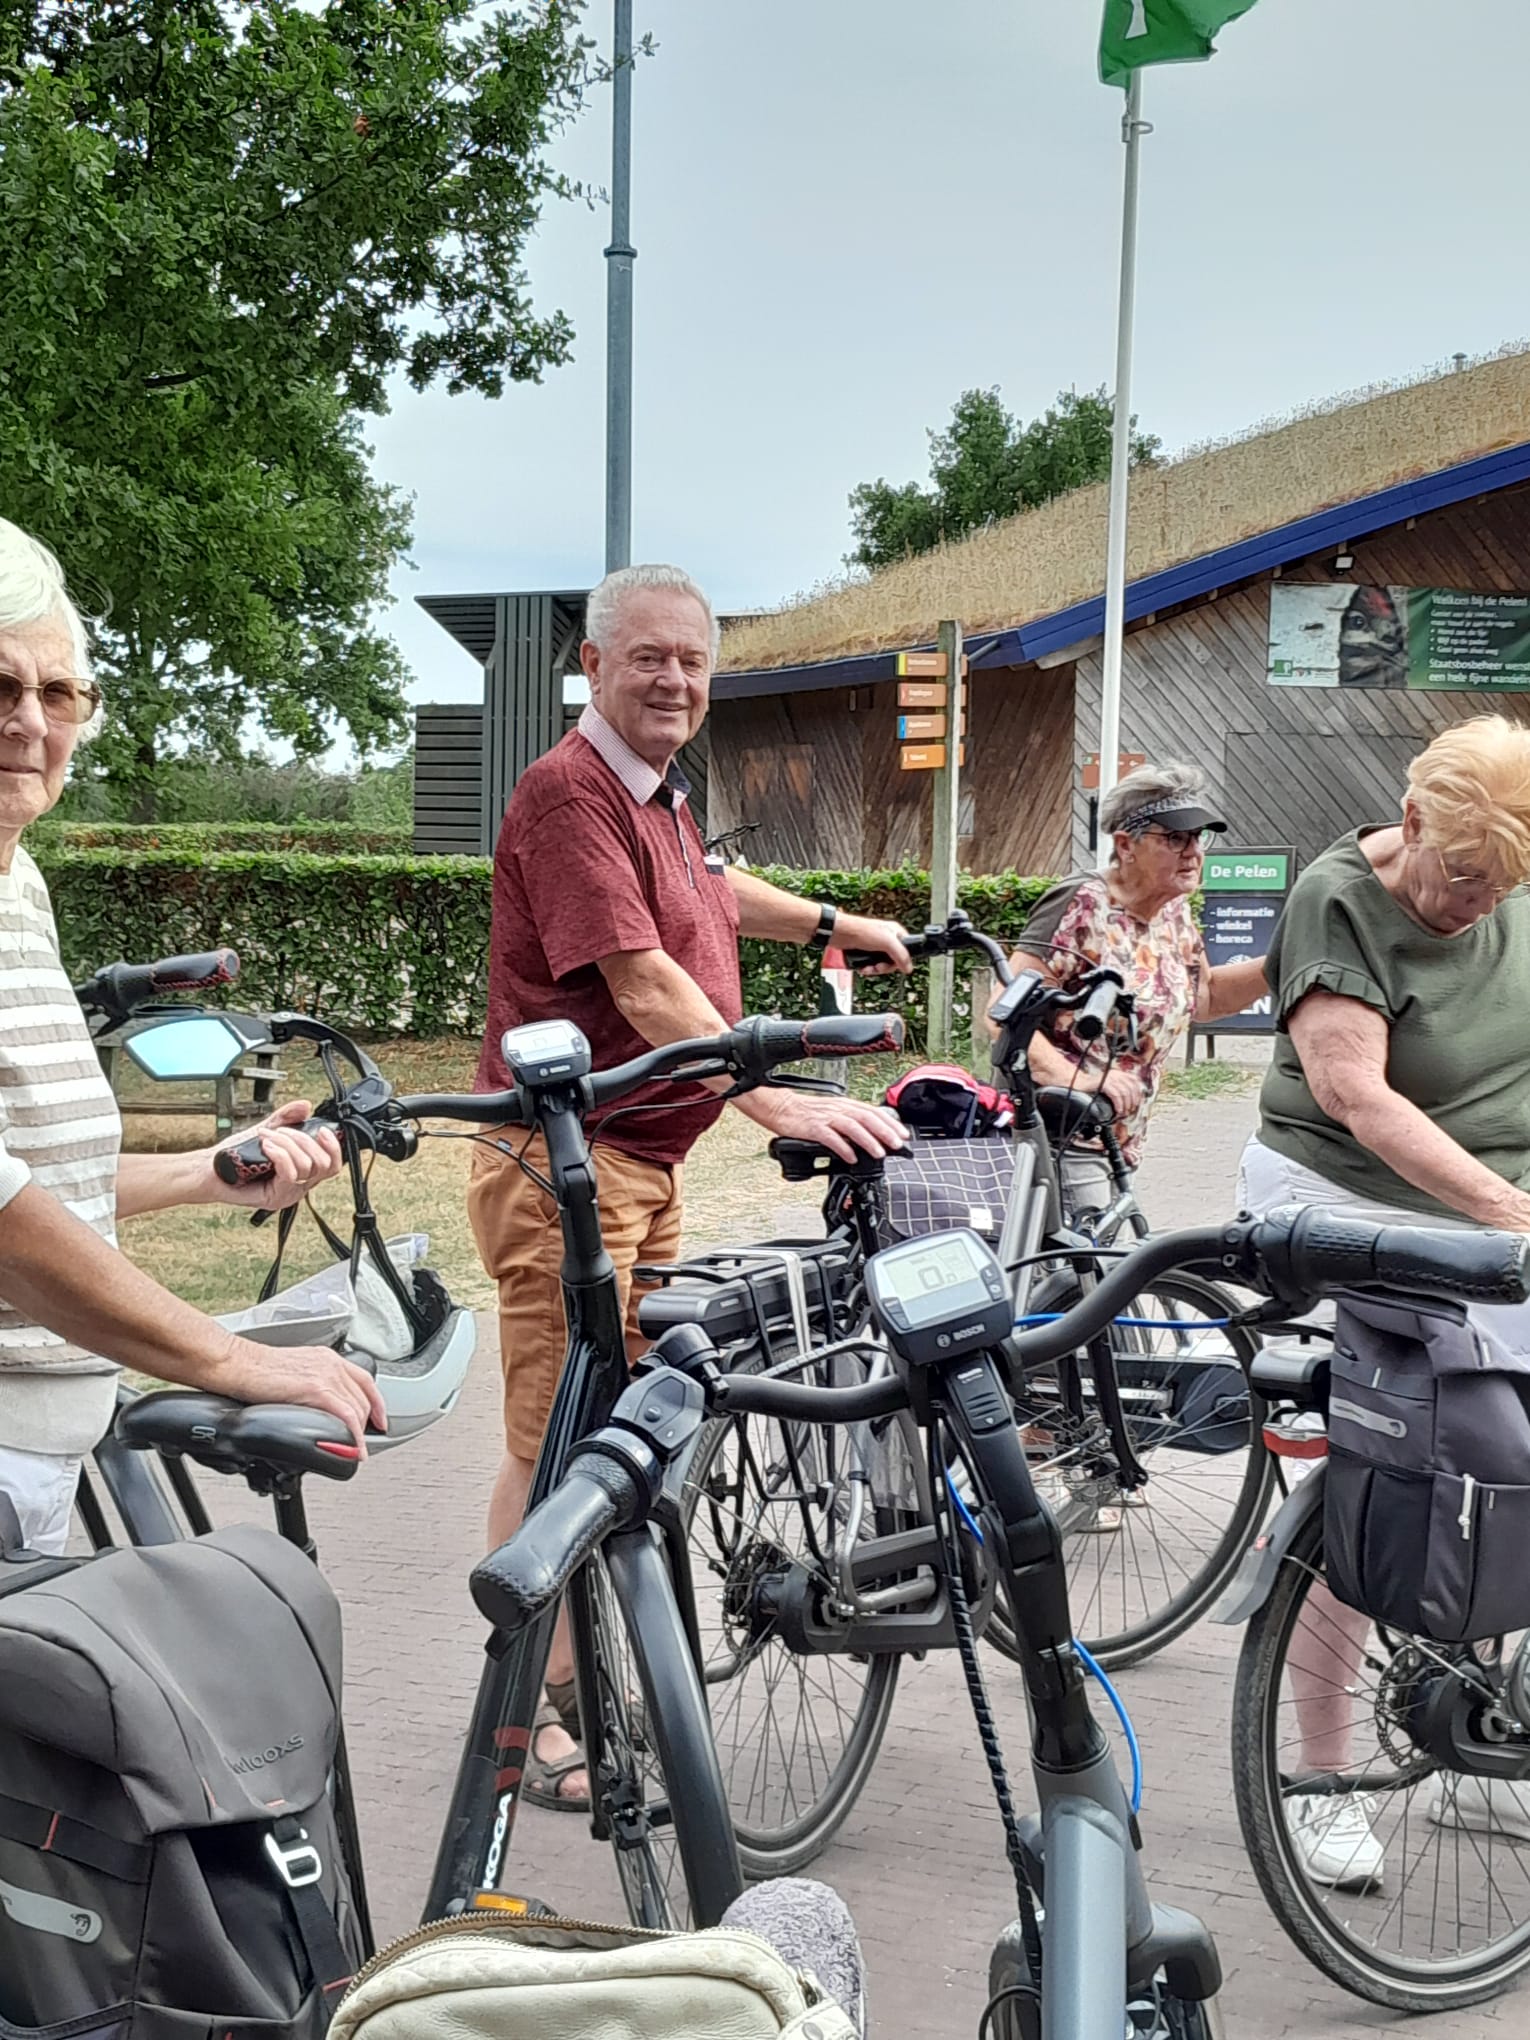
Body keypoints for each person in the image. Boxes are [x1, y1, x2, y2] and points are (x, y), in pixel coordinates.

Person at [468, 562, 910, 1810]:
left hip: (638, 1167)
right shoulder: (569, 796)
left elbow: (709, 892)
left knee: (614, 1435)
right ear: (594, 667)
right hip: (565, 1170)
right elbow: (640, 977)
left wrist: (829, 923)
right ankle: (540, 1723)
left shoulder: (652, 795)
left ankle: (587, 1674)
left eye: (694, 662)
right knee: (554, 1448)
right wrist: (775, 1095)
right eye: (649, 657)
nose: (674, 679)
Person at [0, 518, 385, 1559]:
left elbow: (34, 1176)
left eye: (58, 692)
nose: (29, 722)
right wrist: (224, 1357)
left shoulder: (16, 880)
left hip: (39, 1450)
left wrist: (206, 1173)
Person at [1240, 714, 1530, 1890]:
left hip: (1493, 1193)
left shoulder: (1507, 877)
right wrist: (1504, 1214)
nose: (1479, 903)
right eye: (1462, 876)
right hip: (1354, 1200)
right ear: (1410, 823)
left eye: (1504, 884)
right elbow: (1356, 1095)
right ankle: (1320, 1783)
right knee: (1379, 1464)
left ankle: (1492, 1706)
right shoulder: (1338, 898)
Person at [997, 759, 1267, 1219]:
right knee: (1082, 1277)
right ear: (1126, 844)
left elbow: (1208, 998)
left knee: (1088, 1274)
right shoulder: (1081, 903)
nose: (1193, 852)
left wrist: (1292, 956)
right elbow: (1001, 1011)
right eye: (1176, 838)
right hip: (1058, 1131)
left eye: (1199, 838)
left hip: (1117, 1138)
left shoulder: (1174, 913)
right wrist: (1076, 1079)